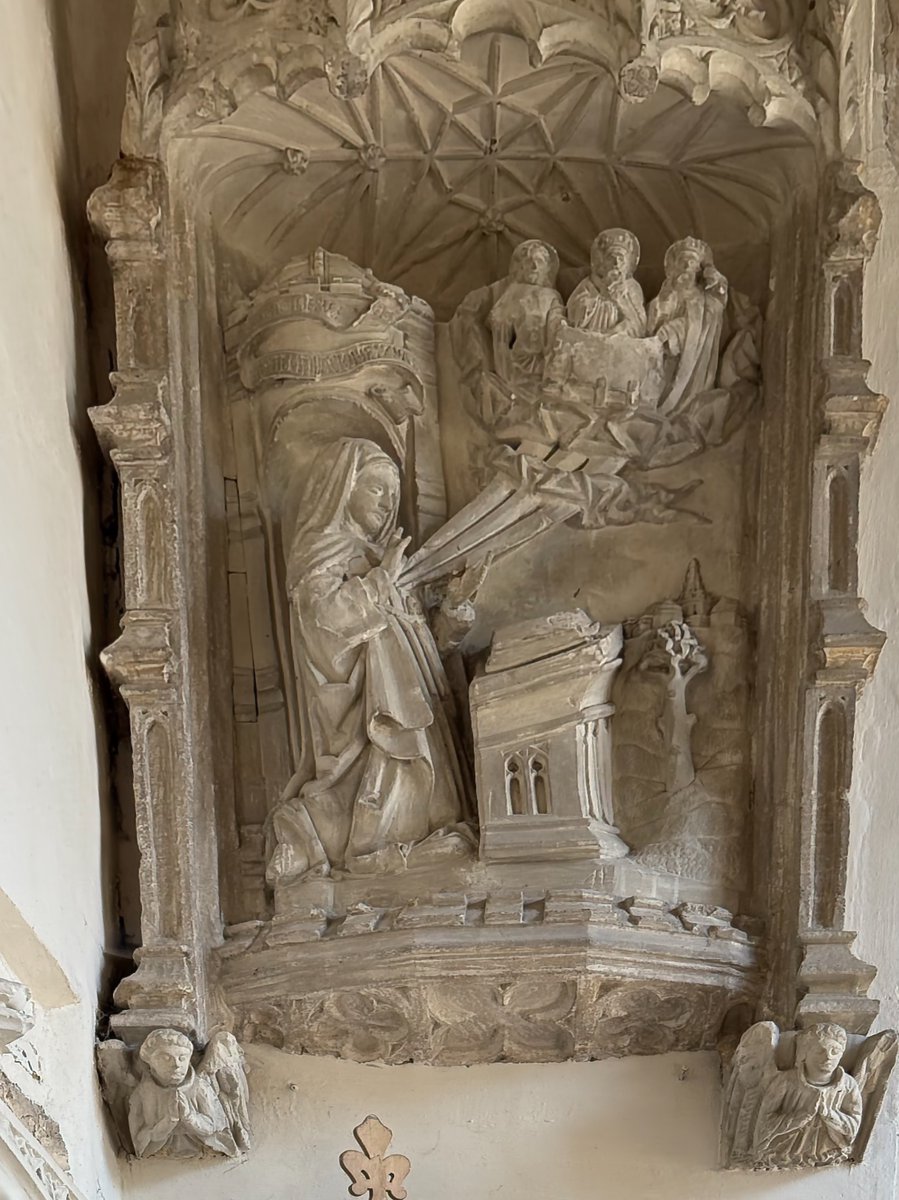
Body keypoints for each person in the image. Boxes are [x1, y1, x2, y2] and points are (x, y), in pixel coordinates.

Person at [266, 438, 472, 885]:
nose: (387, 503)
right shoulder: (325, 550)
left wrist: (455, 609)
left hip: (415, 700)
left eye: (393, 496)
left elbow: (428, 647)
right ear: (344, 486)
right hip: (363, 707)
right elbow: (323, 620)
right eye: (377, 489)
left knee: (426, 784)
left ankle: (414, 850)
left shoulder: (388, 562)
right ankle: (353, 847)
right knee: (383, 776)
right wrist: (380, 582)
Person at [752, 1023, 863, 1168]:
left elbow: (854, 1124)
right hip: (781, 1153)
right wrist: (799, 1118)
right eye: (819, 1050)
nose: (828, 1057)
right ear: (804, 1053)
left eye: (835, 1051)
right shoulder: (785, 1082)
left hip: (830, 1153)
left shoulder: (848, 1085)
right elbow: (764, 1124)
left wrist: (829, 1115)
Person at [647, 236, 728, 413]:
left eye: (691, 262)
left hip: (694, 358)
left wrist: (711, 272)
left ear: (697, 268)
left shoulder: (704, 299)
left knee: (688, 397)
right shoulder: (670, 290)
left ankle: (684, 408)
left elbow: (717, 300)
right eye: (682, 262)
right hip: (667, 357)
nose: (686, 267)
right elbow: (655, 318)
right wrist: (663, 303)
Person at [128, 1030, 236, 1159]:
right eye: (166, 1058)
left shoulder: (199, 1086)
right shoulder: (143, 1093)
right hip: (161, 1154)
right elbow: (139, 1137)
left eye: (182, 1058)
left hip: (203, 1149)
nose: (176, 1065)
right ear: (149, 1062)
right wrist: (169, 1121)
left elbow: (214, 1126)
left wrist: (189, 1117)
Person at [567, 228, 646, 337]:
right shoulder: (590, 283)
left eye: (621, 259)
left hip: (621, 341)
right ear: (603, 262)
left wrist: (620, 301)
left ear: (627, 264)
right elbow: (574, 313)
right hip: (592, 336)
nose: (616, 263)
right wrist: (598, 300)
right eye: (612, 258)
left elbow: (639, 323)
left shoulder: (632, 287)